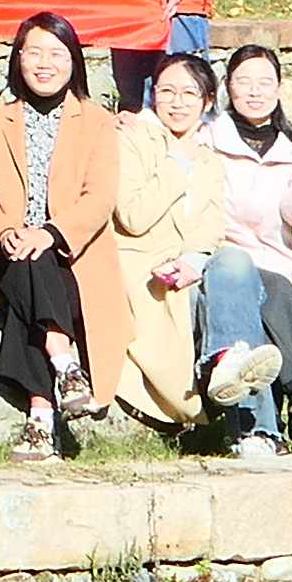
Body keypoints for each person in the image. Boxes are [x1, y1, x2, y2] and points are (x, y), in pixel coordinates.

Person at [0, 9, 117, 459]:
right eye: (34, 53)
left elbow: (100, 196)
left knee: (35, 273)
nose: (44, 63)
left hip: (73, 256)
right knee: (26, 260)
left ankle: (39, 416)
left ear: (74, 61)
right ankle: (66, 364)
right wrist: (4, 231)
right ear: (18, 59)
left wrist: (51, 233)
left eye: (56, 53)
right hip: (9, 253)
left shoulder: (97, 122)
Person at [205, 40, 292, 457]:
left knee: (273, 290)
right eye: (243, 81)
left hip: (273, 262)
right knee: (271, 290)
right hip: (222, 261)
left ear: (279, 89)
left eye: (264, 82)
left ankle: (264, 429)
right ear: (228, 86)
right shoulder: (208, 137)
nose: (254, 91)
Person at [92, 48, 231, 434]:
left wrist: (194, 260)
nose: (177, 103)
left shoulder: (208, 157)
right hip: (140, 266)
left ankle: (232, 383)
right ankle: (217, 406)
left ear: (207, 101)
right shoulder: (132, 137)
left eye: (189, 93)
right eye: (167, 91)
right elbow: (133, 216)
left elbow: (211, 223)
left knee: (242, 275)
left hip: (186, 266)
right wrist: (175, 164)